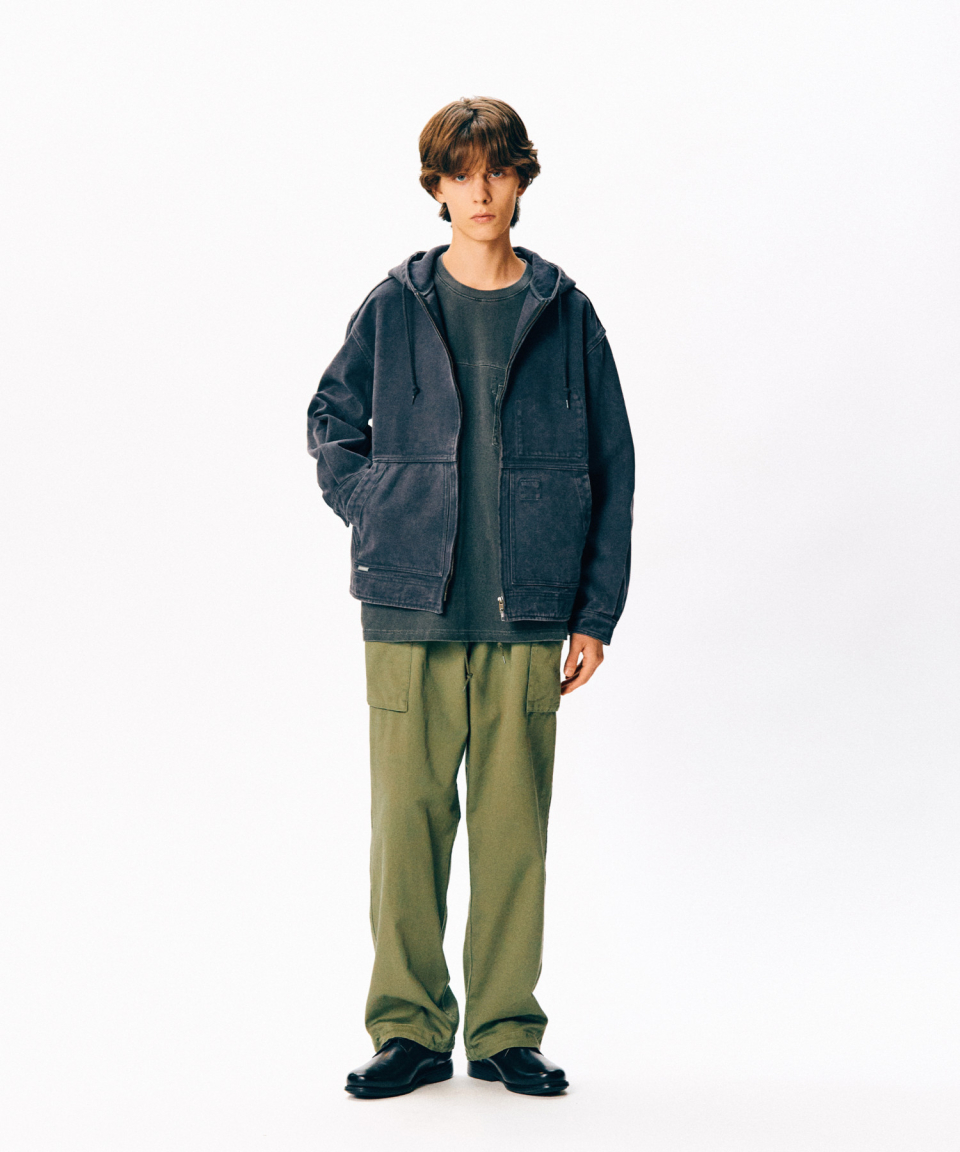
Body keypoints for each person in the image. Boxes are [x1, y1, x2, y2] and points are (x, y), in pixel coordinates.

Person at [306, 96, 635, 1098]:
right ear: (437, 186)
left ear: (521, 179)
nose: (480, 190)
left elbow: (613, 465)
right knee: (406, 830)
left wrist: (594, 613)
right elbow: (330, 419)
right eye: (461, 172)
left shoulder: (567, 312)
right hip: (409, 611)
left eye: (497, 169)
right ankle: (408, 1030)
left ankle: (503, 1032)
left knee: (511, 834)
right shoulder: (393, 306)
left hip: (528, 612)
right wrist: (378, 507)